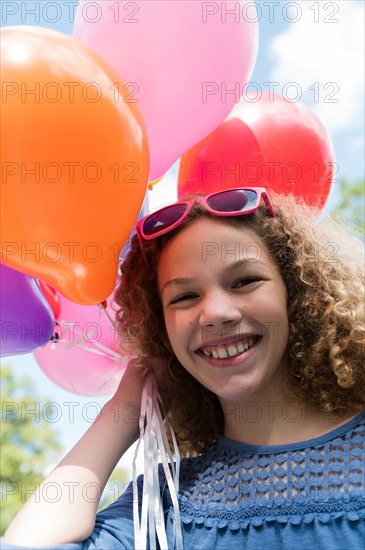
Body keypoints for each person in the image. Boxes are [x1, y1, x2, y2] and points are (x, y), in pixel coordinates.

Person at [3, 187, 365, 549]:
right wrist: (124, 408)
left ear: (295, 293)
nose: (217, 314)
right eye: (184, 297)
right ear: (163, 331)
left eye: (244, 281)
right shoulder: (163, 505)